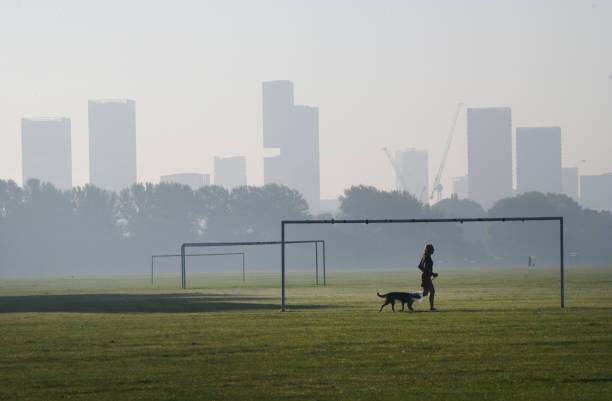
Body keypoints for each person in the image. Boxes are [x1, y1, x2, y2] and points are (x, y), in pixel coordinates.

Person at [418, 243, 438, 311]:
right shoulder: (427, 257)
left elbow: (420, 266)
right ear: (430, 250)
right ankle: (432, 307)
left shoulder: (425, 255)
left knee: (426, 293)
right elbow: (425, 267)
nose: (434, 250)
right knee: (431, 291)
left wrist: (429, 273)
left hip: (425, 276)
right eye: (432, 249)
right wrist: (432, 273)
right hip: (426, 276)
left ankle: (411, 298)